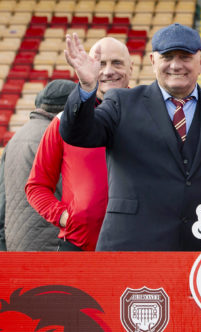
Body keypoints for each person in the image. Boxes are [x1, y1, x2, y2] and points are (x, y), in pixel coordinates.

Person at [60, 23, 201, 251]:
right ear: (153, 61)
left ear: (200, 61)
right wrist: (86, 86)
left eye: (185, 57)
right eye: (167, 57)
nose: (175, 65)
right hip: (132, 248)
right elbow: (79, 134)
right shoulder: (121, 103)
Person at [25, 37, 132, 251]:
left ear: (132, 67)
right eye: (100, 64)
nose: (108, 71)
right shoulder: (63, 123)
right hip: (78, 247)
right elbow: (36, 186)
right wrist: (67, 218)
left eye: (117, 63)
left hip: (136, 245)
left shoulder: (149, 117)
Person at [0, 80, 76, 251]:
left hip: (16, 248)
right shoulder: (62, 138)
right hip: (54, 247)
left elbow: (2, 204)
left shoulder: (15, 138)